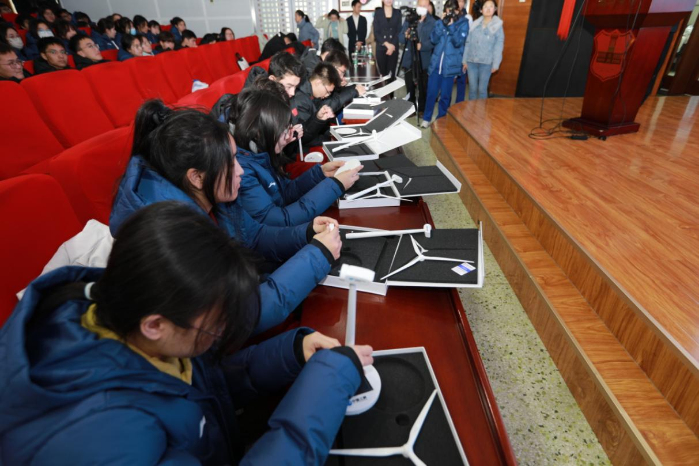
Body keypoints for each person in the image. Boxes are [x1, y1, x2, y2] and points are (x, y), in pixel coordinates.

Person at [0, 201, 373, 465]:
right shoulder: (107, 439)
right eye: (216, 325)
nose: (222, 333)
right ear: (155, 325)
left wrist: (290, 352)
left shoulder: (133, 310)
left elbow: (200, 385)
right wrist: (330, 380)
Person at [110, 100, 342, 333]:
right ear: (197, 177)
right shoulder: (172, 237)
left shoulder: (213, 193)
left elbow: (256, 235)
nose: (240, 170)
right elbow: (240, 313)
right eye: (231, 162)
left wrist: (306, 232)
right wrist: (318, 255)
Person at [234, 86, 361, 227]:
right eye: (284, 131)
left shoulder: (261, 154)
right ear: (260, 132)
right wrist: (335, 186)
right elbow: (279, 221)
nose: (289, 136)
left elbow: (285, 193)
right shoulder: (243, 171)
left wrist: (321, 173)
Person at [421, 0, 469, 128]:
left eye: (453, 9)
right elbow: (433, 39)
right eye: (448, 9)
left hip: (450, 66)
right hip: (436, 65)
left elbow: (458, 42)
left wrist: (451, 27)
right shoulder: (439, 22)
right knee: (431, 93)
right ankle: (426, 118)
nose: (450, 12)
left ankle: (441, 119)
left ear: (458, 11)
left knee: (445, 96)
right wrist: (442, 24)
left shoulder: (463, 23)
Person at [399, 0, 436, 116]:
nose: (422, 7)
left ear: (428, 6)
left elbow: (434, 41)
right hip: (409, 58)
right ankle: (411, 108)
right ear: (417, 5)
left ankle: (421, 109)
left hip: (423, 60)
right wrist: (405, 35)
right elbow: (400, 38)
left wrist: (422, 46)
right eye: (420, 5)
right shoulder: (410, 19)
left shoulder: (432, 22)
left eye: (424, 6)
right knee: (409, 86)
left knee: (423, 87)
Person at [290, 62, 342, 146]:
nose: (327, 95)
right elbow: (304, 137)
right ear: (318, 82)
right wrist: (329, 140)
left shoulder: (312, 93)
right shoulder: (300, 100)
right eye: (328, 92)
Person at [462, 0, 503, 100]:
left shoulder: (498, 26)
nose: (488, 9)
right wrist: (464, 60)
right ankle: (471, 109)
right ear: (481, 10)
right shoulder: (475, 24)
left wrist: (496, 64)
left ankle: (481, 110)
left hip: (486, 63)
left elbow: (498, 46)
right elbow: (468, 43)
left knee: (482, 90)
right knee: (472, 89)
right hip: (471, 61)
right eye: (485, 6)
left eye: (491, 6)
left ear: (495, 9)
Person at [373, 0, 402, 78]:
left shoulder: (398, 12)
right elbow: (376, 32)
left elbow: (399, 31)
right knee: (382, 74)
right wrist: (387, 44)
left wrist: (391, 46)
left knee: (391, 74)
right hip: (381, 47)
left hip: (393, 47)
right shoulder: (378, 13)